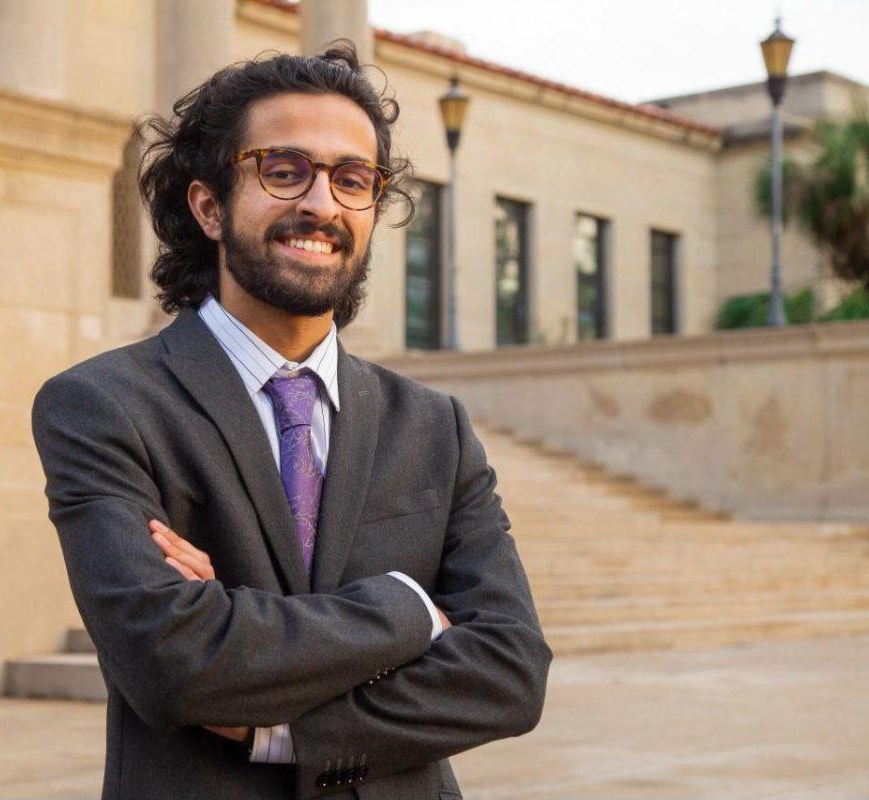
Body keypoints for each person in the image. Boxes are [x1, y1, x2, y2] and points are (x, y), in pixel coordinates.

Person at [31, 42, 551, 800]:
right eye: (283, 170)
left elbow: (509, 673)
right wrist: (410, 609)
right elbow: (172, 663)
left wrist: (285, 731)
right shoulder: (105, 406)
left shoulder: (436, 426)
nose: (321, 204)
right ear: (208, 206)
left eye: (352, 180)